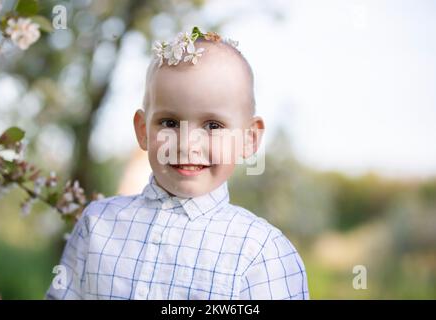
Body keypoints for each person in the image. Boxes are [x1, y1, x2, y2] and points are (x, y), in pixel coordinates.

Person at [46, 27, 309, 300]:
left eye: (212, 125)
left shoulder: (262, 252)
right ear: (143, 130)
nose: (186, 144)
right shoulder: (97, 224)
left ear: (249, 138)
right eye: (169, 123)